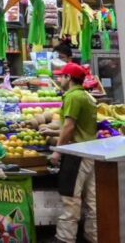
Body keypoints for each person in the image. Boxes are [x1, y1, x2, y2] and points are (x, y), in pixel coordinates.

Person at [53, 62, 98, 243]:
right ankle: (94, 237)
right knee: (92, 200)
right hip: (91, 152)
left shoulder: (72, 97)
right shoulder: (87, 96)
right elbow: (77, 126)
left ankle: (66, 238)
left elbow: (70, 126)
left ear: (68, 78)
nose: (59, 79)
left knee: (70, 199)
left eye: (61, 76)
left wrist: (57, 150)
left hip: (76, 153)